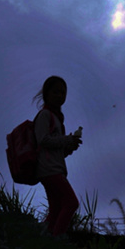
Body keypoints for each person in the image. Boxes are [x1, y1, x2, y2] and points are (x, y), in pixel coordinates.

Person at [33, 76, 82, 237]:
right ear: (47, 93)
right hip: (49, 169)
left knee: (55, 209)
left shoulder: (57, 119)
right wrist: (67, 139)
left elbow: (55, 150)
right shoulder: (45, 115)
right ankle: (56, 242)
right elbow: (43, 140)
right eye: (56, 92)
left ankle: (41, 239)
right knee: (70, 203)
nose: (60, 96)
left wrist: (69, 147)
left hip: (53, 168)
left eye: (63, 93)